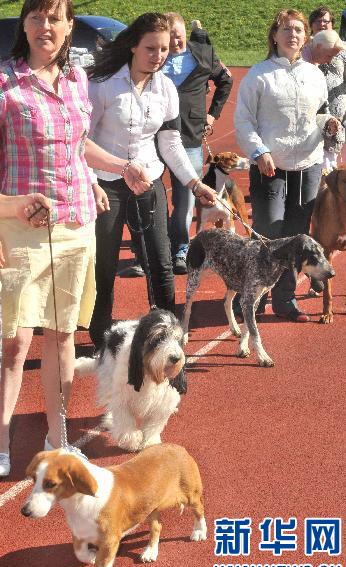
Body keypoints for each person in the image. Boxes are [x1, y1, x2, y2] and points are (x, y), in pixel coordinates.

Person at [0, 0, 154, 478]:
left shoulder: (76, 81)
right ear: (24, 25)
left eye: (55, 18)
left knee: (64, 336)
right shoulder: (5, 83)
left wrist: (111, 169)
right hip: (19, 229)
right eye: (36, 17)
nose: (45, 26)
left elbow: (75, 144)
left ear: (70, 27)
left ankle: (58, 438)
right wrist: (13, 203)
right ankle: (2, 437)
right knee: (14, 342)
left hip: (76, 227)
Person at [86, 13, 217, 349]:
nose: (158, 56)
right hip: (107, 183)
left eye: (163, 50)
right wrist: (93, 183)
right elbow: (82, 140)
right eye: (150, 48)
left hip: (150, 180)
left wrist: (193, 183)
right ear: (133, 45)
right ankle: (100, 333)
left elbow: (170, 142)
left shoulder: (166, 88)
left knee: (161, 262)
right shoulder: (101, 84)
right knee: (105, 263)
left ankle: (166, 334)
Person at [234, 8, 340, 323]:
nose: (292, 34)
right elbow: (243, 120)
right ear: (274, 36)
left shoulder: (315, 74)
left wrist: (329, 122)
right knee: (267, 232)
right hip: (270, 164)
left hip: (307, 164)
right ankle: (251, 294)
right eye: (285, 29)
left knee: (296, 236)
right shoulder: (258, 75)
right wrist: (259, 151)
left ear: (305, 36)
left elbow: (320, 112)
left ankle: (284, 299)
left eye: (297, 29)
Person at [162, 12, 233, 274]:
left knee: (186, 198)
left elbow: (226, 80)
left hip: (190, 136)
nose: (175, 45)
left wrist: (212, 114)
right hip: (154, 137)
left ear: (184, 33)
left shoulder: (202, 53)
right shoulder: (154, 56)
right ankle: (149, 250)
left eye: (178, 38)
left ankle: (181, 249)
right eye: (169, 40)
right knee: (150, 197)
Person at [305, 6, 346, 171]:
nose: (322, 24)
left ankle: (327, 191)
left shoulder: (344, 48)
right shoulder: (303, 46)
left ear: (332, 24)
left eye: (326, 21)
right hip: (308, 108)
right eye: (318, 21)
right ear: (311, 24)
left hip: (336, 108)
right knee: (308, 152)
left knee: (330, 157)